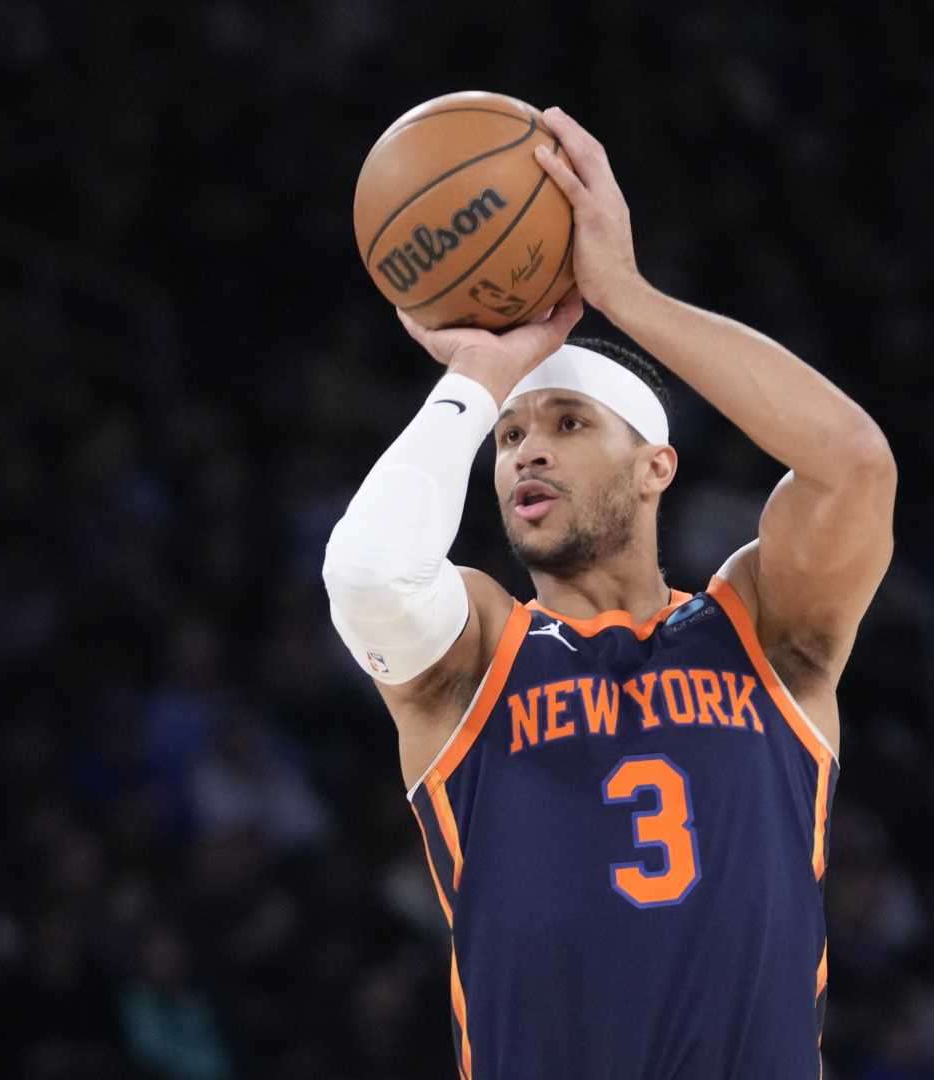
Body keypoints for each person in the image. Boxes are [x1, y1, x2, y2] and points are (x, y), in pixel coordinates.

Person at [322, 105, 896, 1079]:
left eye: (569, 423)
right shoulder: (478, 659)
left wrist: (622, 293)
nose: (527, 447)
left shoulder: (765, 635)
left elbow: (853, 463)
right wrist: (477, 376)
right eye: (507, 438)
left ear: (655, 468)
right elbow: (369, 573)